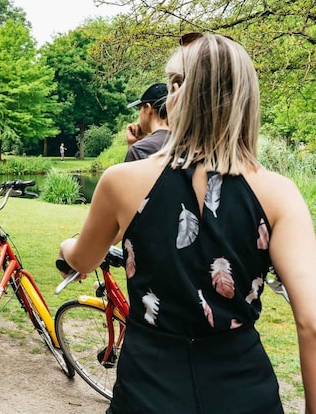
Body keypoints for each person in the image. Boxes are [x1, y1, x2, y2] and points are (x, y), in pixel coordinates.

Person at [58, 33, 316, 413]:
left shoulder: (122, 181)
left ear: (182, 94)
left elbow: (82, 259)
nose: (169, 95)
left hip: (149, 387)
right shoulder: (279, 193)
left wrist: (68, 246)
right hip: (243, 390)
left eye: (175, 82)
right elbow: (311, 320)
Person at [124, 82, 169, 162]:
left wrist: (132, 145)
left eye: (139, 108)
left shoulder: (139, 150)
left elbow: (128, 173)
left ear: (148, 108)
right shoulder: (190, 142)